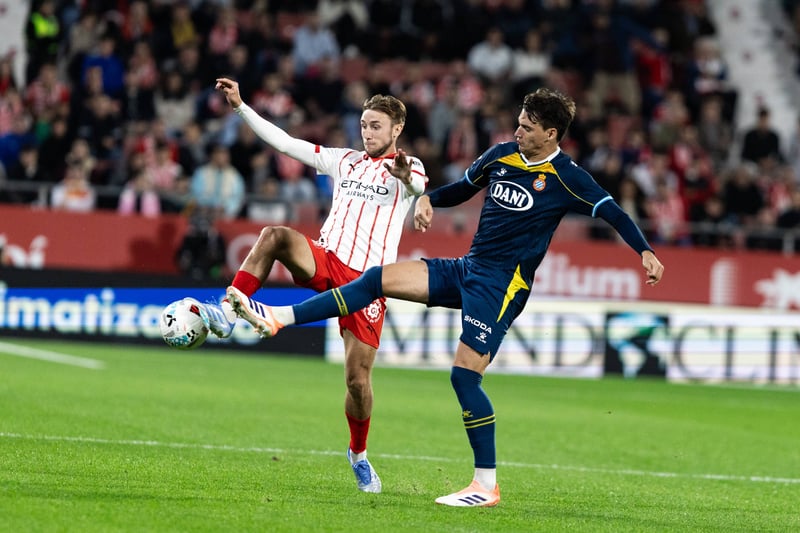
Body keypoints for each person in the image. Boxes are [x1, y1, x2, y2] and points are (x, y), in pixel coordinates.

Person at [225, 88, 665, 507]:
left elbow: (613, 212)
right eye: (519, 123)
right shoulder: (501, 155)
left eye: (528, 128)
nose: (518, 131)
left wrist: (644, 251)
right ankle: (280, 318)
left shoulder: (568, 177)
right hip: (467, 268)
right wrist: (426, 200)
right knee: (377, 279)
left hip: (501, 287)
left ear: (551, 134)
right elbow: (461, 189)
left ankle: (485, 485)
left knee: (464, 378)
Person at [202, 77, 427, 494]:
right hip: (326, 258)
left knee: (357, 382)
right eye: (364, 124)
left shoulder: (408, 165)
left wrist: (411, 183)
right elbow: (287, 144)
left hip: (366, 283)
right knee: (274, 235)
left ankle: (358, 454)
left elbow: (418, 186)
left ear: (397, 129)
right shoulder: (344, 160)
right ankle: (229, 312)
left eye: (376, 126)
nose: (367, 132)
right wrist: (240, 107)